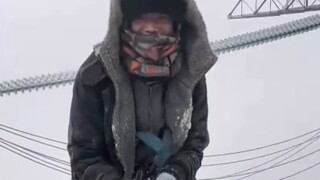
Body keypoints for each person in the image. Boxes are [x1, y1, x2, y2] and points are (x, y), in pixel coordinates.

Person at [67, 0, 218, 179]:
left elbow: (195, 142)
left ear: (176, 23)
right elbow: (84, 153)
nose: (150, 28)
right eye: (140, 18)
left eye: (161, 18)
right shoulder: (96, 74)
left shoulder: (191, 72)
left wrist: (175, 172)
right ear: (126, 20)